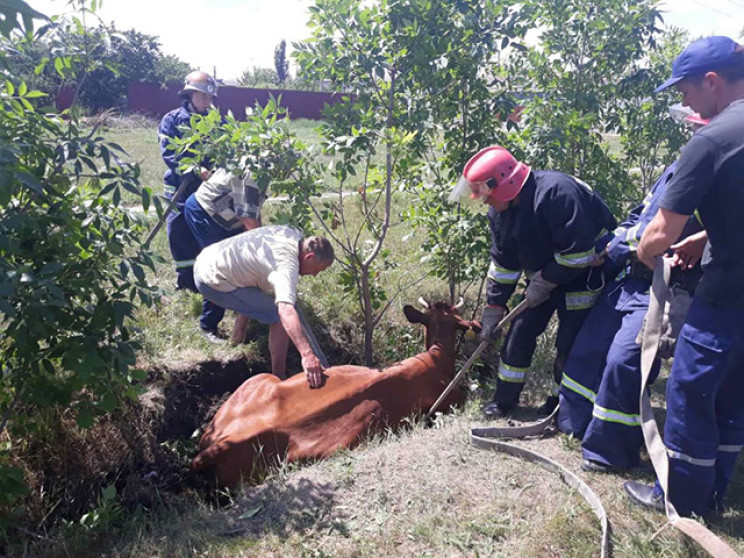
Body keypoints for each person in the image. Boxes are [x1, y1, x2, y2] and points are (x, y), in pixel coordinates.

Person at [624, 36, 744, 517]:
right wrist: (709, 235)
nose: (684, 101)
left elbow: (659, 232)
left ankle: (684, 498)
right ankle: (719, 485)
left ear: (711, 82)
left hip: (727, 296)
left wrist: (641, 248)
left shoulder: (712, 139)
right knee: (734, 392)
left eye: (686, 90)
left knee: (691, 390)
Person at [556, 108, 707, 474]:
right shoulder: (679, 167)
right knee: (588, 349)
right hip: (628, 280)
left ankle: (610, 452)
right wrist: (611, 243)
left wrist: (624, 242)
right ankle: (572, 425)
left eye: (694, 125)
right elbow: (641, 216)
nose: (689, 130)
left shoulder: (720, 177)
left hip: (664, 285)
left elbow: (662, 235)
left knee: (625, 362)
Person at [450, 146, 617, 419]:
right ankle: (503, 402)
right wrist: (494, 308)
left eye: (486, 194)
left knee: (569, 342)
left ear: (505, 185)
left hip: (585, 273)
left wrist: (544, 281)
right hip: (544, 277)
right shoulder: (500, 213)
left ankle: (559, 403)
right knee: (520, 332)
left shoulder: (556, 193)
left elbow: (578, 254)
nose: (483, 202)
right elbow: (504, 266)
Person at [193, 225, 335, 387]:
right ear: (308, 257)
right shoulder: (286, 266)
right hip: (211, 280)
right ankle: (279, 378)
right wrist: (307, 355)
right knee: (278, 315)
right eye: (317, 270)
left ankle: (237, 337)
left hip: (209, 258)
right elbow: (285, 311)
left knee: (263, 296)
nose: (315, 275)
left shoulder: (289, 233)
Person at [158, 70, 226, 343]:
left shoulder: (215, 121)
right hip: (180, 186)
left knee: (205, 233)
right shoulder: (172, 120)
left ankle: (202, 276)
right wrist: (193, 168)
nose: (206, 101)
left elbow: (224, 149)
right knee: (178, 232)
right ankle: (185, 278)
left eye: (210, 96)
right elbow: (168, 152)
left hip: (207, 190)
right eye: (202, 95)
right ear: (189, 94)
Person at [184, 168, 267, 344]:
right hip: (205, 212)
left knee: (241, 263)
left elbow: (253, 210)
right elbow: (248, 219)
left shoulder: (259, 163)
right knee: (219, 268)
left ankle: (240, 309)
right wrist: (264, 251)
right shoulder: (255, 171)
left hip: (226, 214)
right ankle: (208, 325)